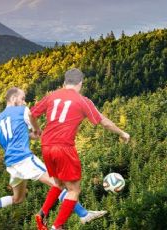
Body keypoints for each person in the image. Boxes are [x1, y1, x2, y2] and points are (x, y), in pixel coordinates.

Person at [0, 87, 107, 224]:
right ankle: (84, 214)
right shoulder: (22, 111)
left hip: (11, 164)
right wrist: (37, 130)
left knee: (18, 199)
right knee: (59, 185)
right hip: (25, 160)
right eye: (22, 99)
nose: (24, 102)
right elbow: (34, 123)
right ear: (14, 99)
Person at [31, 68, 130, 230]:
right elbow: (103, 121)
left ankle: (42, 214)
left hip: (46, 146)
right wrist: (122, 133)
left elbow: (32, 114)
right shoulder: (83, 101)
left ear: (64, 82)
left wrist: (36, 130)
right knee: (74, 190)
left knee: (58, 183)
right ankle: (58, 226)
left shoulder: (52, 96)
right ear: (80, 83)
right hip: (63, 148)